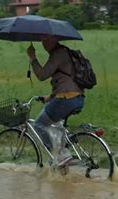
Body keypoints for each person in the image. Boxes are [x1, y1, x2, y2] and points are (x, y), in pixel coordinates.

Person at [26, 35, 85, 167]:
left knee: (39, 125)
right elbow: (64, 81)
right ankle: (64, 157)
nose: (44, 44)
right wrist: (51, 97)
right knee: (57, 125)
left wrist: (32, 58)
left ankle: (60, 155)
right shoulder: (67, 52)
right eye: (42, 41)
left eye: (46, 40)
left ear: (54, 40)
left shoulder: (57, 55)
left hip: (66, 99)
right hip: (78, 98)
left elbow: (42, 75)